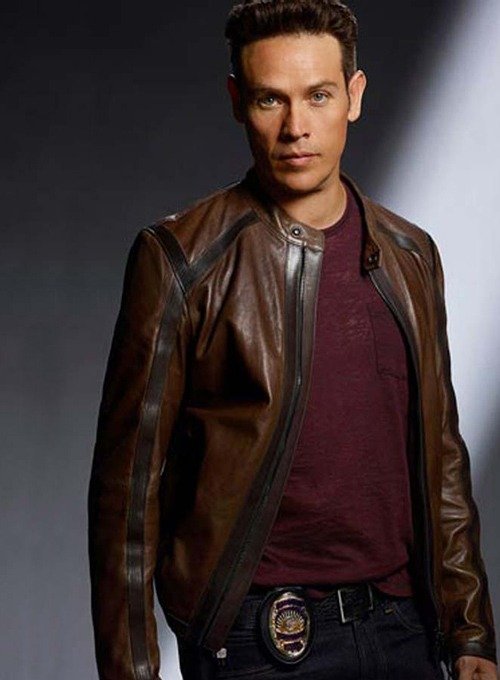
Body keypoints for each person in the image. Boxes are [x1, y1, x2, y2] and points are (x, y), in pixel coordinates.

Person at [88, 1, 498, 679]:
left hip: (407, 634)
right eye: (269, 99)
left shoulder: (411, 255)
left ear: (354, 97)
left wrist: (470, 630)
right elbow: (126, 495)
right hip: (260, 643)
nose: (295, 126)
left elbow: (442, 455)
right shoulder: (183, 260)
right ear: (236, 102)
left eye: (318, 95)